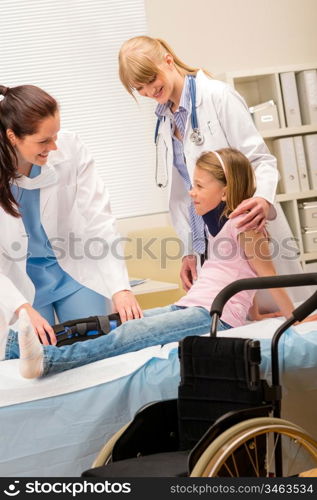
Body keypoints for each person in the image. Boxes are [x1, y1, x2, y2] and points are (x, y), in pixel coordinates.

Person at [2, 148, 298, 378]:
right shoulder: (217, 224)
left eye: (198, 185)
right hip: (192, 306)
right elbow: (243, 277)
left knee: (131, 334)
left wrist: (292, 318)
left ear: (225, 190)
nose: (191, 192)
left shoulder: (246, 228)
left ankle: (50, 361)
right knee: (112, 323)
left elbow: (266, 277)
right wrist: (254, 313)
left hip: (212, 315)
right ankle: (17, 347)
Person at [118, 36, 307, 306]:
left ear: (168, 61)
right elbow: (184, 191)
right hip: (209, 242)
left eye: (151, 79)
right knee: (232, 323)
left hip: (245, 227)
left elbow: (260, 159)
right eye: (140, 88)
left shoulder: (218, 96)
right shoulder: (163, 121)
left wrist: (263, 199)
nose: (149, 91)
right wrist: (189, 251)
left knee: (282, 317)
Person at [0, 84, 142, 347]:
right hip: (18, 282)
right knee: (39, 361)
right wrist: (19, 307)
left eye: (55, 135)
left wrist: (120, 288)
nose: (54, 146)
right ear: (12, 137)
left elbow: (100, 218)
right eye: (43, 141)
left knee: (98, 348)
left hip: (73, 269)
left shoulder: (70, 149)